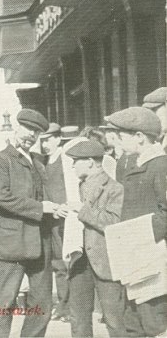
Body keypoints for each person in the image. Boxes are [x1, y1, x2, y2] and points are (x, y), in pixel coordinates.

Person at [0, 108, 68, 338]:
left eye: (36, 132)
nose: (31, 135)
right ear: (16, 127)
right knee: (4, 304)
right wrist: (42, 208)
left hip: (40, 244)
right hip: (11, 245)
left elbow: (43, 197)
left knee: (40, 307)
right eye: (28, 129)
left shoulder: (38, 163)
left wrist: (56, 207)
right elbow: (1, 197)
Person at [105, 107, 167, 337]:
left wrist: (137, 237)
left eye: (122, 136)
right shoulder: (136, 164)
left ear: (139, 137)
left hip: (154, 261)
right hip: (136, 260)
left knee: (154, 323)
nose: (118, 142)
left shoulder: (160, 166)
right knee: (133, 323)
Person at [62, 139, 126, 338]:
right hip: (79, 262)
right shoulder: (78, 187)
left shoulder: (115, 188)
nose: (72, 166)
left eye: (75, 161)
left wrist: (82, 210)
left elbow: (113, 222)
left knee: (115, 320)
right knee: (78, 320)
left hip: (106, 263)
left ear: (90, 162)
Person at [39, 122, 72, 323]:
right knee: (53, 263)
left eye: (48, 140)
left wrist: (64, 207)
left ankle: (67, 306)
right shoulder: (43, 161)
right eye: (42, 141)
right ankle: (61, 305)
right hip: (47, 218)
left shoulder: (66, 160)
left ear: (59, 139)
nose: (45, 144)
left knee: (64, 262)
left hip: (63, 217)